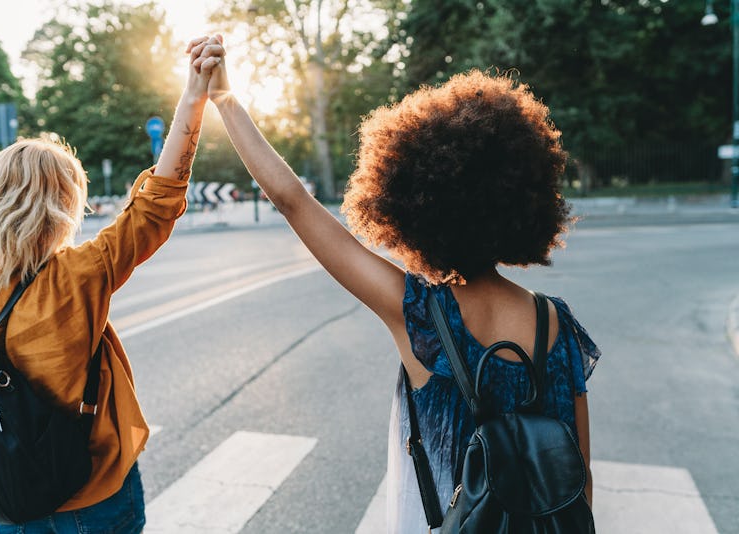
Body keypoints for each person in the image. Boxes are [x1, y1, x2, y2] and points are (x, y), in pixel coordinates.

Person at [201, 41, 600, 532]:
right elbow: (580, 481)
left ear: (412, 207)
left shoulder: (419, 314)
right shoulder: (556, 322)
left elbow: (292, 202)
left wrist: (225, 100)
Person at [0, 36, 225, 533]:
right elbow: (158, 201)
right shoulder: (81, 275)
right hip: (94, 495)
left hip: (9, 504)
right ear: (61, 208)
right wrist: (194, 93)